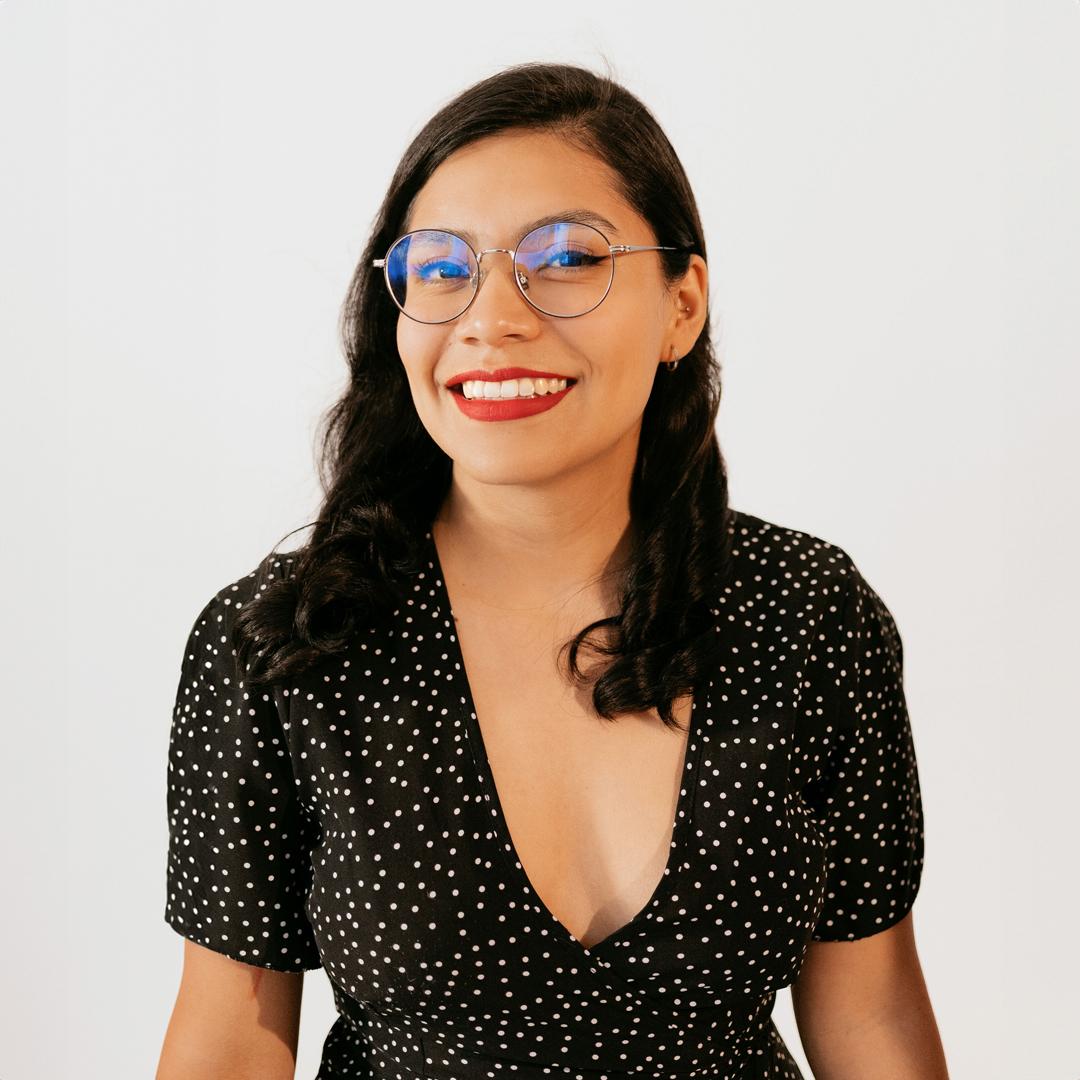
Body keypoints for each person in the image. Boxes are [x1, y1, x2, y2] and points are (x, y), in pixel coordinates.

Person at [157, 60, 948, 1080]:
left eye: (566, 258)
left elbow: (872, 1018)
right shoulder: (284, 642)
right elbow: (229, 1039)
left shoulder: (810, 615)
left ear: (682, 304)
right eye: (440, 268)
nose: (492, 316)